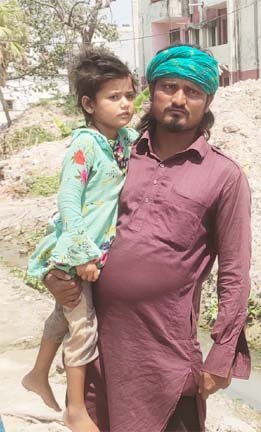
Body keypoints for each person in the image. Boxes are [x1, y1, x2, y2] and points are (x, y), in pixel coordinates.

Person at [42, 44, 252, 432]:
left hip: (166, 358)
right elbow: (74, 219)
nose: (179, 99)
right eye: (169, 87)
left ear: (207, 102)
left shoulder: (224, 175)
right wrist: (56, 276)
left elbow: (235, 273)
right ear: (152, 92)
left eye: (192, 91)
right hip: (100, 350)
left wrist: (223, 354)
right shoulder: (117, 156)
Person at [21, 48, 137, 432]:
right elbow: (69, 201)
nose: (125, 104)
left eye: (129, 95)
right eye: (113, 97)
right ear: (89, 104)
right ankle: (75, 409)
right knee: (83, 326)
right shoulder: (84, 144)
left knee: (64, 315)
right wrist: (83, 254)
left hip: (93, 252)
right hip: (76, 251)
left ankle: (38, 374)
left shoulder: (123, 140)